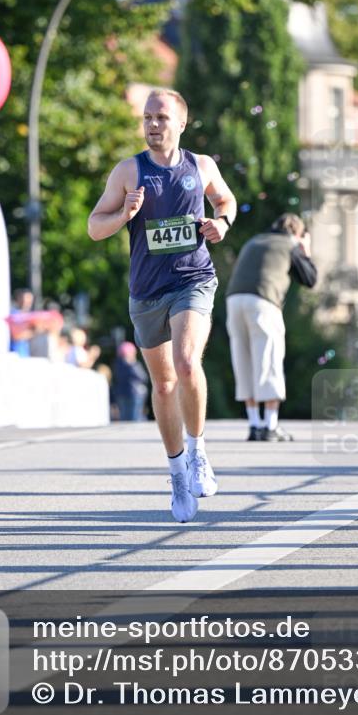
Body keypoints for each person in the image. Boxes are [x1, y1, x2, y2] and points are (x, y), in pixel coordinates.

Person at [88, 87, 237, 523]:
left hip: (193, 279)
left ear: (181, 123)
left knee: (187, 362)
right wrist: (123, 216)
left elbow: (225, 200)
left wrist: (221, 223)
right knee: (165, 384)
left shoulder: (201, 166)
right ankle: (176, 472)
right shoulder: (129, 171)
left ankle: (198, 451)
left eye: (162, 118)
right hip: (147, 291)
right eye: (148, 118)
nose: (153, 125)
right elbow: (95, 227)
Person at [225, 213, 317, 442]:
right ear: (297, 232)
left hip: (234, 300)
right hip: (263, 302)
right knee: (269, 359)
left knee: (243, 359)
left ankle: (255, 424)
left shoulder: (254, 240)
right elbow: (310, 279)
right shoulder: (291, 244)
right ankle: (271, 425)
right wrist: (306, 251)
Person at [113, 341, 149, 422]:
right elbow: (143, 377)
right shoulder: (132, 364)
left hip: (121, 392)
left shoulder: (117, 364)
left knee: (124, 416)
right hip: (135, 393)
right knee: (135, 416)